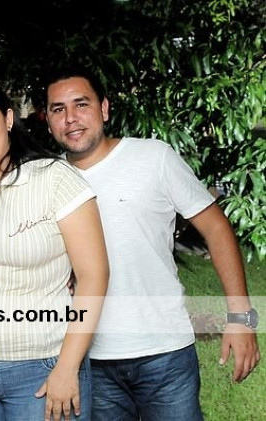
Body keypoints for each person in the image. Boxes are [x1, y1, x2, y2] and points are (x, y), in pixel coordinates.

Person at [44, 64, 261, 420]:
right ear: (48, 120)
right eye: (58, 109)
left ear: (104, 108)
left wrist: (241, 318)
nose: (70, 118)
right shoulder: (47, 178)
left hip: (164, 351)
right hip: (88, 359)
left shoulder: (153, 157)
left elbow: (216, 229)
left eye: (81, 104)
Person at [0, 76, 109, 421]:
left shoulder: (54, 177)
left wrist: (67, 367)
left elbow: (94, 277)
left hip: (41, 368)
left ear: (8, 119)